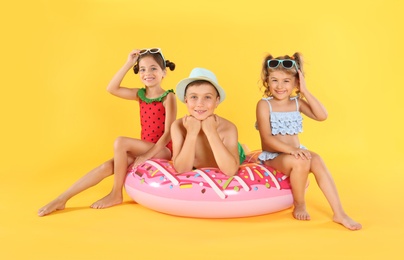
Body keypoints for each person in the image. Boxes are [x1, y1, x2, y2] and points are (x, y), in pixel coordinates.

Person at [38, 48, 177, 216]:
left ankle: (116, 193)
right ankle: (63, 198)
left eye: (153, 68)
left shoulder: (168, 97)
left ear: (164, 72)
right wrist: (128, 63)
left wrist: (147, 156)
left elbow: (169, 132)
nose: (148, 73)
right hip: (144, 149)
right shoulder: (140, 94)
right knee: (106, 166)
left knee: (121, 142)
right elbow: (112, 88)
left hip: (162, 150)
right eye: (142, 69)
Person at [255, 52, 362, 230]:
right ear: (267, 81)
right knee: (301, 160)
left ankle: (339, 212)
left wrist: (305, 91)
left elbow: (322, 116)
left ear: (296, 82)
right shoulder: (264, 104)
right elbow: (266, 139)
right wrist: (291, 151)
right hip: (274, 156)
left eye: (286, 81)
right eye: (274, 80)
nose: (280, 86)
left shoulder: (297, 103)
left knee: (317, 159)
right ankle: (300, 204)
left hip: (295, 153)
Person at [171, 67, 244, 176]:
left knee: (242, 151)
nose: (200, 103)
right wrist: (191, 133)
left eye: (207, 97)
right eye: (194, 97)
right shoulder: (177, 126)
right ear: (186, 100)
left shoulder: (229, 128)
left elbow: (230, 171)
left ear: (217, 101)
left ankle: (243, 148)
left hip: (232, 151)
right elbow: (182, 169)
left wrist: (211, 132)